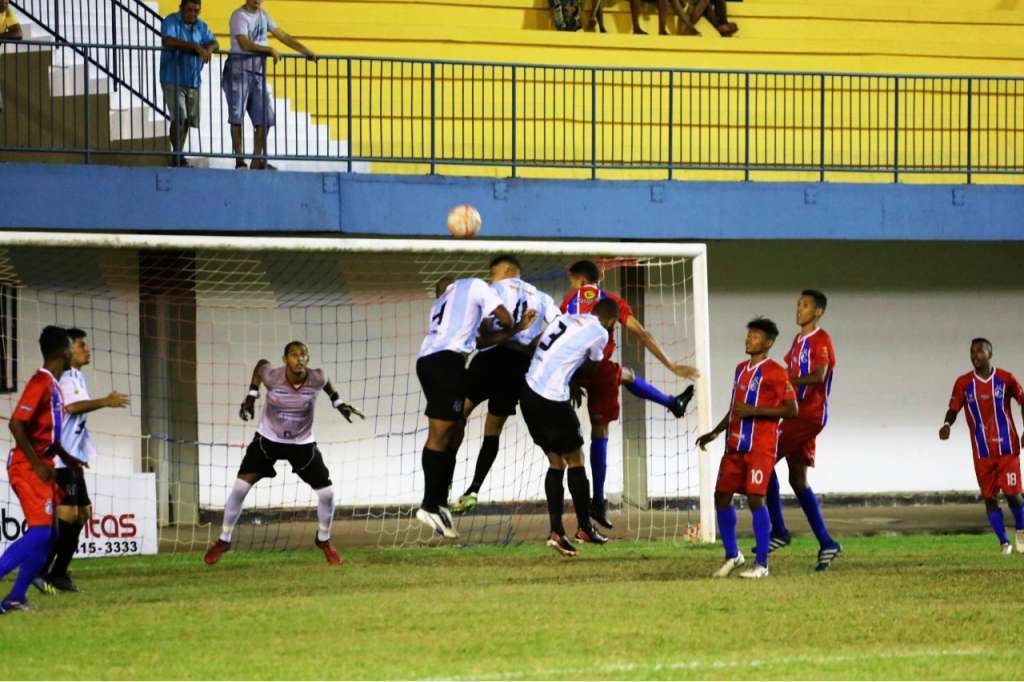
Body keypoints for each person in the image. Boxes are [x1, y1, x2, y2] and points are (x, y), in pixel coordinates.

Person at [560, 259, 698, 530]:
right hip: (597, 369)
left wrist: (572, 379)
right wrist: (671, 365)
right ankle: (597, 501)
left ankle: (673, 402)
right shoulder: (611, 301)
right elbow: (642, 333)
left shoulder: (569, 300)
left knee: (626, 374)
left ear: (578, 279)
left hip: (569, 370)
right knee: (600, 432)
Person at [203, 341, 362, 566]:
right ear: (285, 359)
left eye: (303, 355)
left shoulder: (316, 377)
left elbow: (326, 385)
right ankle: (224, 540)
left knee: (327, 494)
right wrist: (251, 395)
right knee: (239, 489)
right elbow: (260, 366)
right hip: (268, 440)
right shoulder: (272, 376)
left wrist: (339, 402)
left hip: (302, 444)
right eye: (294, 355)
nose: (299, 359)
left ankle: (323, 540)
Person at [451, 255, 558, 515]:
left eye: (493, 274)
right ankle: (473, 489)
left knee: (456, 416)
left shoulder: (493, 290)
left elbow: (482, 329)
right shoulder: (543, 297)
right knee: (493, 429)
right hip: (518, 366)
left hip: (491, 358)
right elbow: (559, 324)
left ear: (507, 271)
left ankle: (441, 483)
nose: (491, 279)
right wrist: (533, 344)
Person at [697, 318, 797, 579]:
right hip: (735, 446)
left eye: (755, 335)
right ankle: (733, 555)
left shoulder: (776, 371)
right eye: (749, 334)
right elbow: (736, 408)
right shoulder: (741, 369)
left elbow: (791, 409)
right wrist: (716, 432)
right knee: (721, 496)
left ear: (769, 342)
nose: (749, 339)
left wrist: (755, 411)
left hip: (760, 448)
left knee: (755, 499)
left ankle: (762, 564)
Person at [520, 299, 620, 556]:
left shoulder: (566, 317)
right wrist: (574, 381)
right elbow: (591, 368)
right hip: (552, 399)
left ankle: (556, 532)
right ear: (610, 321)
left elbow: (536, 345)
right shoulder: (600, 332)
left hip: (529, 393)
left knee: (556, 462)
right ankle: (585, 527)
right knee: (576, 460)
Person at [415, 277, 512, 538]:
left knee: (455, 429)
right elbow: (505, 318)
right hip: (446, 363)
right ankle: (429, 505)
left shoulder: (439, 306)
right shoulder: (475, 285)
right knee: (440, 433)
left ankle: (439, 503)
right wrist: (515, 325)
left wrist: (497, 330)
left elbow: (480, 342)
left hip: (434, 363)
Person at [34, 328, 129, 594]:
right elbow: (72, 408)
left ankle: (59, 573)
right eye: (81, 345)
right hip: (60, 461)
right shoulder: (64, 377)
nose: (86, 349)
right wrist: (105, 401)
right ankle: (41, 570)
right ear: (67, 350)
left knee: (82, 514)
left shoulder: (77, 377)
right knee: (69, 515)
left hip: (72, 459)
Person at [763, 290, 842, 571]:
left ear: (818, 312)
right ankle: (827, 542)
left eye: (805, 305)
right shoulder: (797, 341)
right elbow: (788, 373)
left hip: (808, 415)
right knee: (798, 480)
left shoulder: (821, 340)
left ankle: (780, 531)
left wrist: (787, 382)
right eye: (798, 304)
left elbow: (819, 376)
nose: (799, 309)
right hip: (798, 413)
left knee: (763, 460)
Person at [0, 326, 75, 614]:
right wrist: (35, 464)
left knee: (52, 535)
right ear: (60, 352)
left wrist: (67, 458)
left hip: (43, 466)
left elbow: (49, 435)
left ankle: (16, 597)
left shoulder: (54, 386)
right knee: (42, 534)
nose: (72, 353)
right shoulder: (40, 383)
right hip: (27, 467)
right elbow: (16, 423)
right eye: (69, 347)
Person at [940, 338, 1024, 554]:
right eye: (972, 351)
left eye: (979, 351)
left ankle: (1022, 529)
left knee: (1013, 493)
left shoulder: (1006, 379)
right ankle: (1004, 543)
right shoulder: (963, 383)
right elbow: (954, 407)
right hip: (982, 451)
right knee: (989, 496)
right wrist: (947, 424)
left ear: (990, 354)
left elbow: (1023, 400)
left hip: (1007, 449)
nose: (974, 355)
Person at [223, 0, 317, 170]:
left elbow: (283, 35)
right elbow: (244, 44)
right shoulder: (238, 16)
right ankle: (239, 160)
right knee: (237, 116)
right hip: (238, 71)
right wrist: (268, 50)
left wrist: (305, 51)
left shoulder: (263, 15)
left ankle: (257, 159)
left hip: (257, 73)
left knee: (265, 117)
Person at [160, 0, 220, 168]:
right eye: (190, 10)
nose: (193, 14)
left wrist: (207, 49)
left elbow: (215, 42)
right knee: (180, 116)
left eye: (196, 11)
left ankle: (178, 153)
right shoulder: (171, 21)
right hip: (173, 77)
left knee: (187, 121)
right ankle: (177, 154)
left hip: (193, 79)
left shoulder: (201, 26)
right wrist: (194, 46)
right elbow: (168, 41)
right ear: (181, 8)